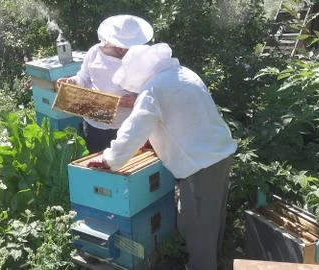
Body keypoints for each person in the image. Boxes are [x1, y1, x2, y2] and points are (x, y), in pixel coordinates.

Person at [87, 43, 237, 270]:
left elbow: (134, 129)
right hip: (219, 155)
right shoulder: (183, 74)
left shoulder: (153, 88)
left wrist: (110, 159)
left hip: (202, 165)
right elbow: (181, 119)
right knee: (210, 222)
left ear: (138, 73)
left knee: (198, 230)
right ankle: (212, 261)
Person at [56, 14, 153, 153]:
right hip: (93, 122)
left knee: (125, 166)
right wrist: (73, 82)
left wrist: (137, 100)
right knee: (98, 166)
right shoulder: (94, 52)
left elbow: (152, 89)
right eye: (119, 45)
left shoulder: (142, 58)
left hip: (127, 125)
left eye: (127, 47)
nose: (123, 50)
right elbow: (84, 77)